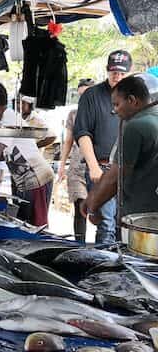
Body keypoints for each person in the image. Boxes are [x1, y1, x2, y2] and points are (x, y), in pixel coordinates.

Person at [74, 49, 132, 245]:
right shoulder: (92, 95)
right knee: (106, 223)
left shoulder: (134, 97)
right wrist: (93, 167)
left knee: (124, 225)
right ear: (107, 70)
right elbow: (82, 132)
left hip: (128, 171)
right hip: (102, 168)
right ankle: (103, 269)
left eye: (122, 73)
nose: (117, 76)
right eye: (114, 72)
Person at [85, 75, 158, 225]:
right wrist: (92, 196)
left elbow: (116, 176)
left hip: (140, 216)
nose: (114, 110)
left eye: (117, 104)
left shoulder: (136, 126)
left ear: (132, 100)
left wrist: (93, 206)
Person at [0, 83, 54, 227]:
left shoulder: (8, 117)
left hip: (36, 177)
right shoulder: (2, 119)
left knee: (35, 226)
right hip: (24, 178)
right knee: (24, 222)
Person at [58, 78, 94, 242]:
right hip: (77, 169)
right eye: (80, 95)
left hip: (98, 168)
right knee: (80, 208)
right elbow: (68, 141)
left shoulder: (102, 111)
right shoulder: (73, 114)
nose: (83, 98)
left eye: (86, 94)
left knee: (103, 213)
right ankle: (79, 245)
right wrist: (61, 166)